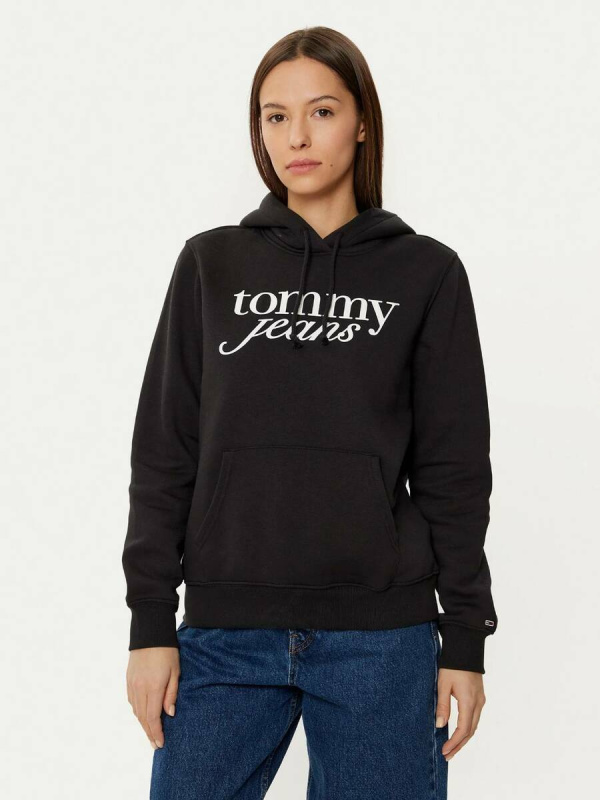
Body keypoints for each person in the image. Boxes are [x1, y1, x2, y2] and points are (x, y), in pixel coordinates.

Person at [122, 25, 498, 800]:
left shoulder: (426, 273)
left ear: (361, 122)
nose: (296, 136)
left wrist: (465, 635)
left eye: (321, 111)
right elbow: (165, 452)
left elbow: (454, 470)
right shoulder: (211, 264)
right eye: (275, 115)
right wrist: (150, 622)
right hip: (224, 634)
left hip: (383, 640)